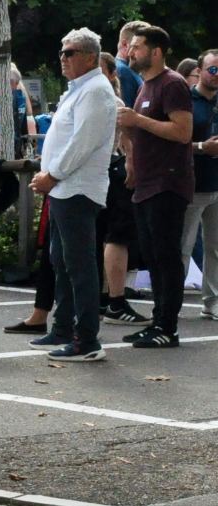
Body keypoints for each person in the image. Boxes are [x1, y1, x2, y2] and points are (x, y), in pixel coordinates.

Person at [28, 28, 120, 360]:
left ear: (91, 57)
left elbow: (82, 143)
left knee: (79, 265)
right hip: (64, 188)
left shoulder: (95, 91)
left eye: (70, 53)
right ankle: (63, 327)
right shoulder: (80, 89)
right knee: (62, 261)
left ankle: (87, 339)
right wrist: (51, 177)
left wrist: (51, 175)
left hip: (76, 189)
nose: (63, 58)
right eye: (62, 52)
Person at [117, 24, 193, 347]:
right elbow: (139, 131)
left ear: (156, 52)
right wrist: (131, 157)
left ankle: (167, 327)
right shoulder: (145, 86)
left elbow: (182, 132)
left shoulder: (172, 84)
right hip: (146, 184)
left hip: (168, 183)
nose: (131, 52)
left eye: (137, 47)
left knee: (166, 256)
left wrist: (137, 121)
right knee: (152, 256)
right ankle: (157, 321)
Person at [102, 22, 149, 325]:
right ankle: (115, 300)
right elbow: (128, 127)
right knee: (116, 235)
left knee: (108, 235)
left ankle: (106, 298)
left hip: (101, 171)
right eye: (134, 46)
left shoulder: (82, 95)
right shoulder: (122, 84)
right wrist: (131, 159)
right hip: (110, 169)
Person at [180, 49, 218, 320]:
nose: (216, 76)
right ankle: (171, 302)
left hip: (216, 185)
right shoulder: (186, 101)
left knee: (215, 248)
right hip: (192, 184)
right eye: (213, 70)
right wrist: (202, 147)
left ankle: (212, 301)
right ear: (200, 70)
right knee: (183, 246)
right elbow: (174, 142)